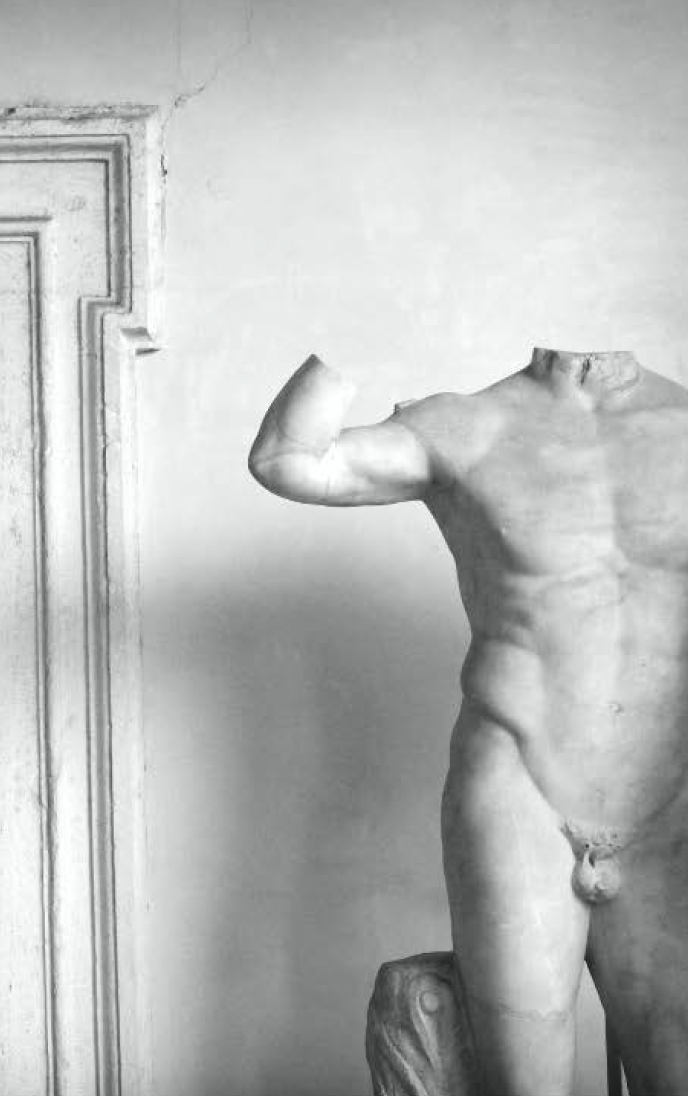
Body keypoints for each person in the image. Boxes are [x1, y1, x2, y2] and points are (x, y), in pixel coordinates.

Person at [249, 349, 688, 1096]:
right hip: (520, 790)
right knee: (524, 1083)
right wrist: (345, 344)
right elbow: (285, 460)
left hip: (669, 796)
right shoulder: (469, 425)